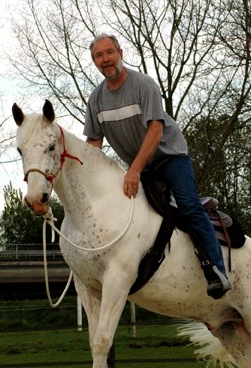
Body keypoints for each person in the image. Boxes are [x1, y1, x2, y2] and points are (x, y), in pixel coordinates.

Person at [84, 33, 231, 299]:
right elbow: (93, 143)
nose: (105, 59)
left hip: (169, 156)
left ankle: (218, 271)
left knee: (188, 206)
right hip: (142, 166)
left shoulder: (144, 85)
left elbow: (154, 131)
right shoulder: (95, 100)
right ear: (94, 61)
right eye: (99, 55)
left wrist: (134, 170)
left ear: (120, 53)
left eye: (109, 52)